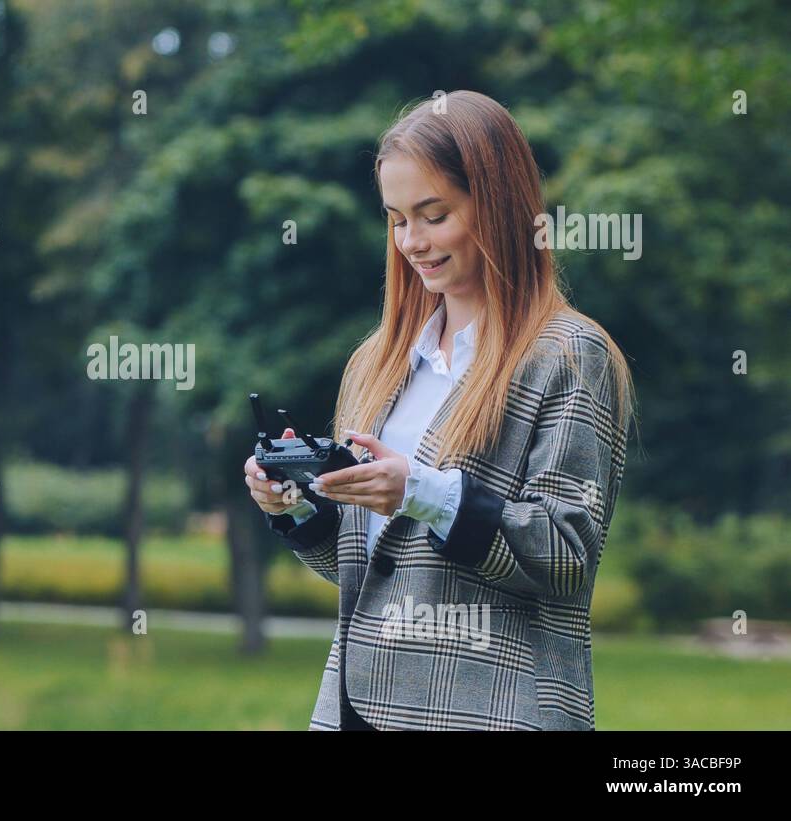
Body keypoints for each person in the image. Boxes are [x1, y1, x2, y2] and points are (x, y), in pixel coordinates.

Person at [243, 90, 635, 730]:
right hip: (356, 710)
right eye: (397, 219)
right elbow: (368, 569)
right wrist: (299, 506)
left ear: (500, 207)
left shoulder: (568, 356)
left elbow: (566, 554)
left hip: (494, 712)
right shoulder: (377, 362)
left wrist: (421, 490)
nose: (412, 242)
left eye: (433, 214)